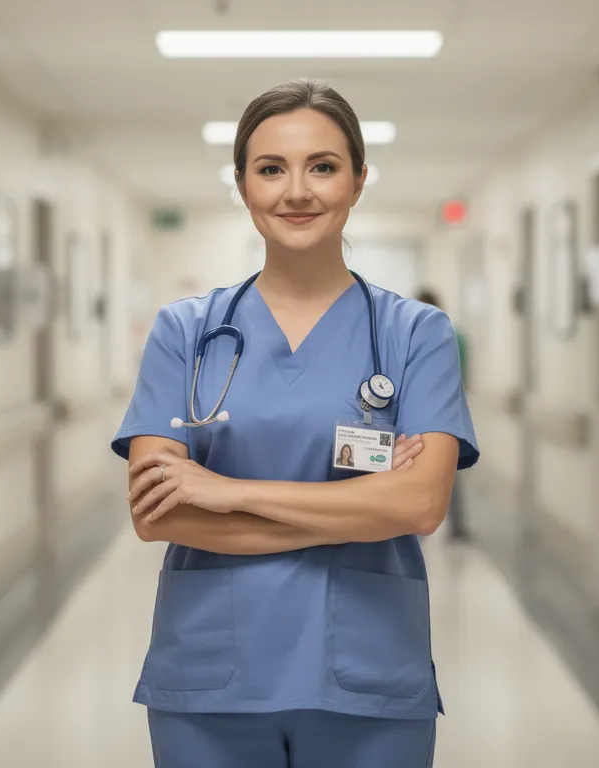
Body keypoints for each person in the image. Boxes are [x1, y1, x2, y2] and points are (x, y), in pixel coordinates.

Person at [111, 78, 479, 768]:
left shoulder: (415, 334)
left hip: (367, 678)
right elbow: (156, 513)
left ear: (358, 181)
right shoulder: (185, 331)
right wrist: (358, 509)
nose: (297, 191)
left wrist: (229, 491)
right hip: (210, 679)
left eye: (324, 166)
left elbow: (421, 504)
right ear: (244, 185)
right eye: (271, 169)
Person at [414, 289, 470, 541]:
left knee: (421, 472)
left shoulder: (420, 335)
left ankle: (417, 525)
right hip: (450, 412)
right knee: (449, 476)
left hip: (420, 413)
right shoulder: (457, 337)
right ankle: (457, 529)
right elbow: (463, 379)